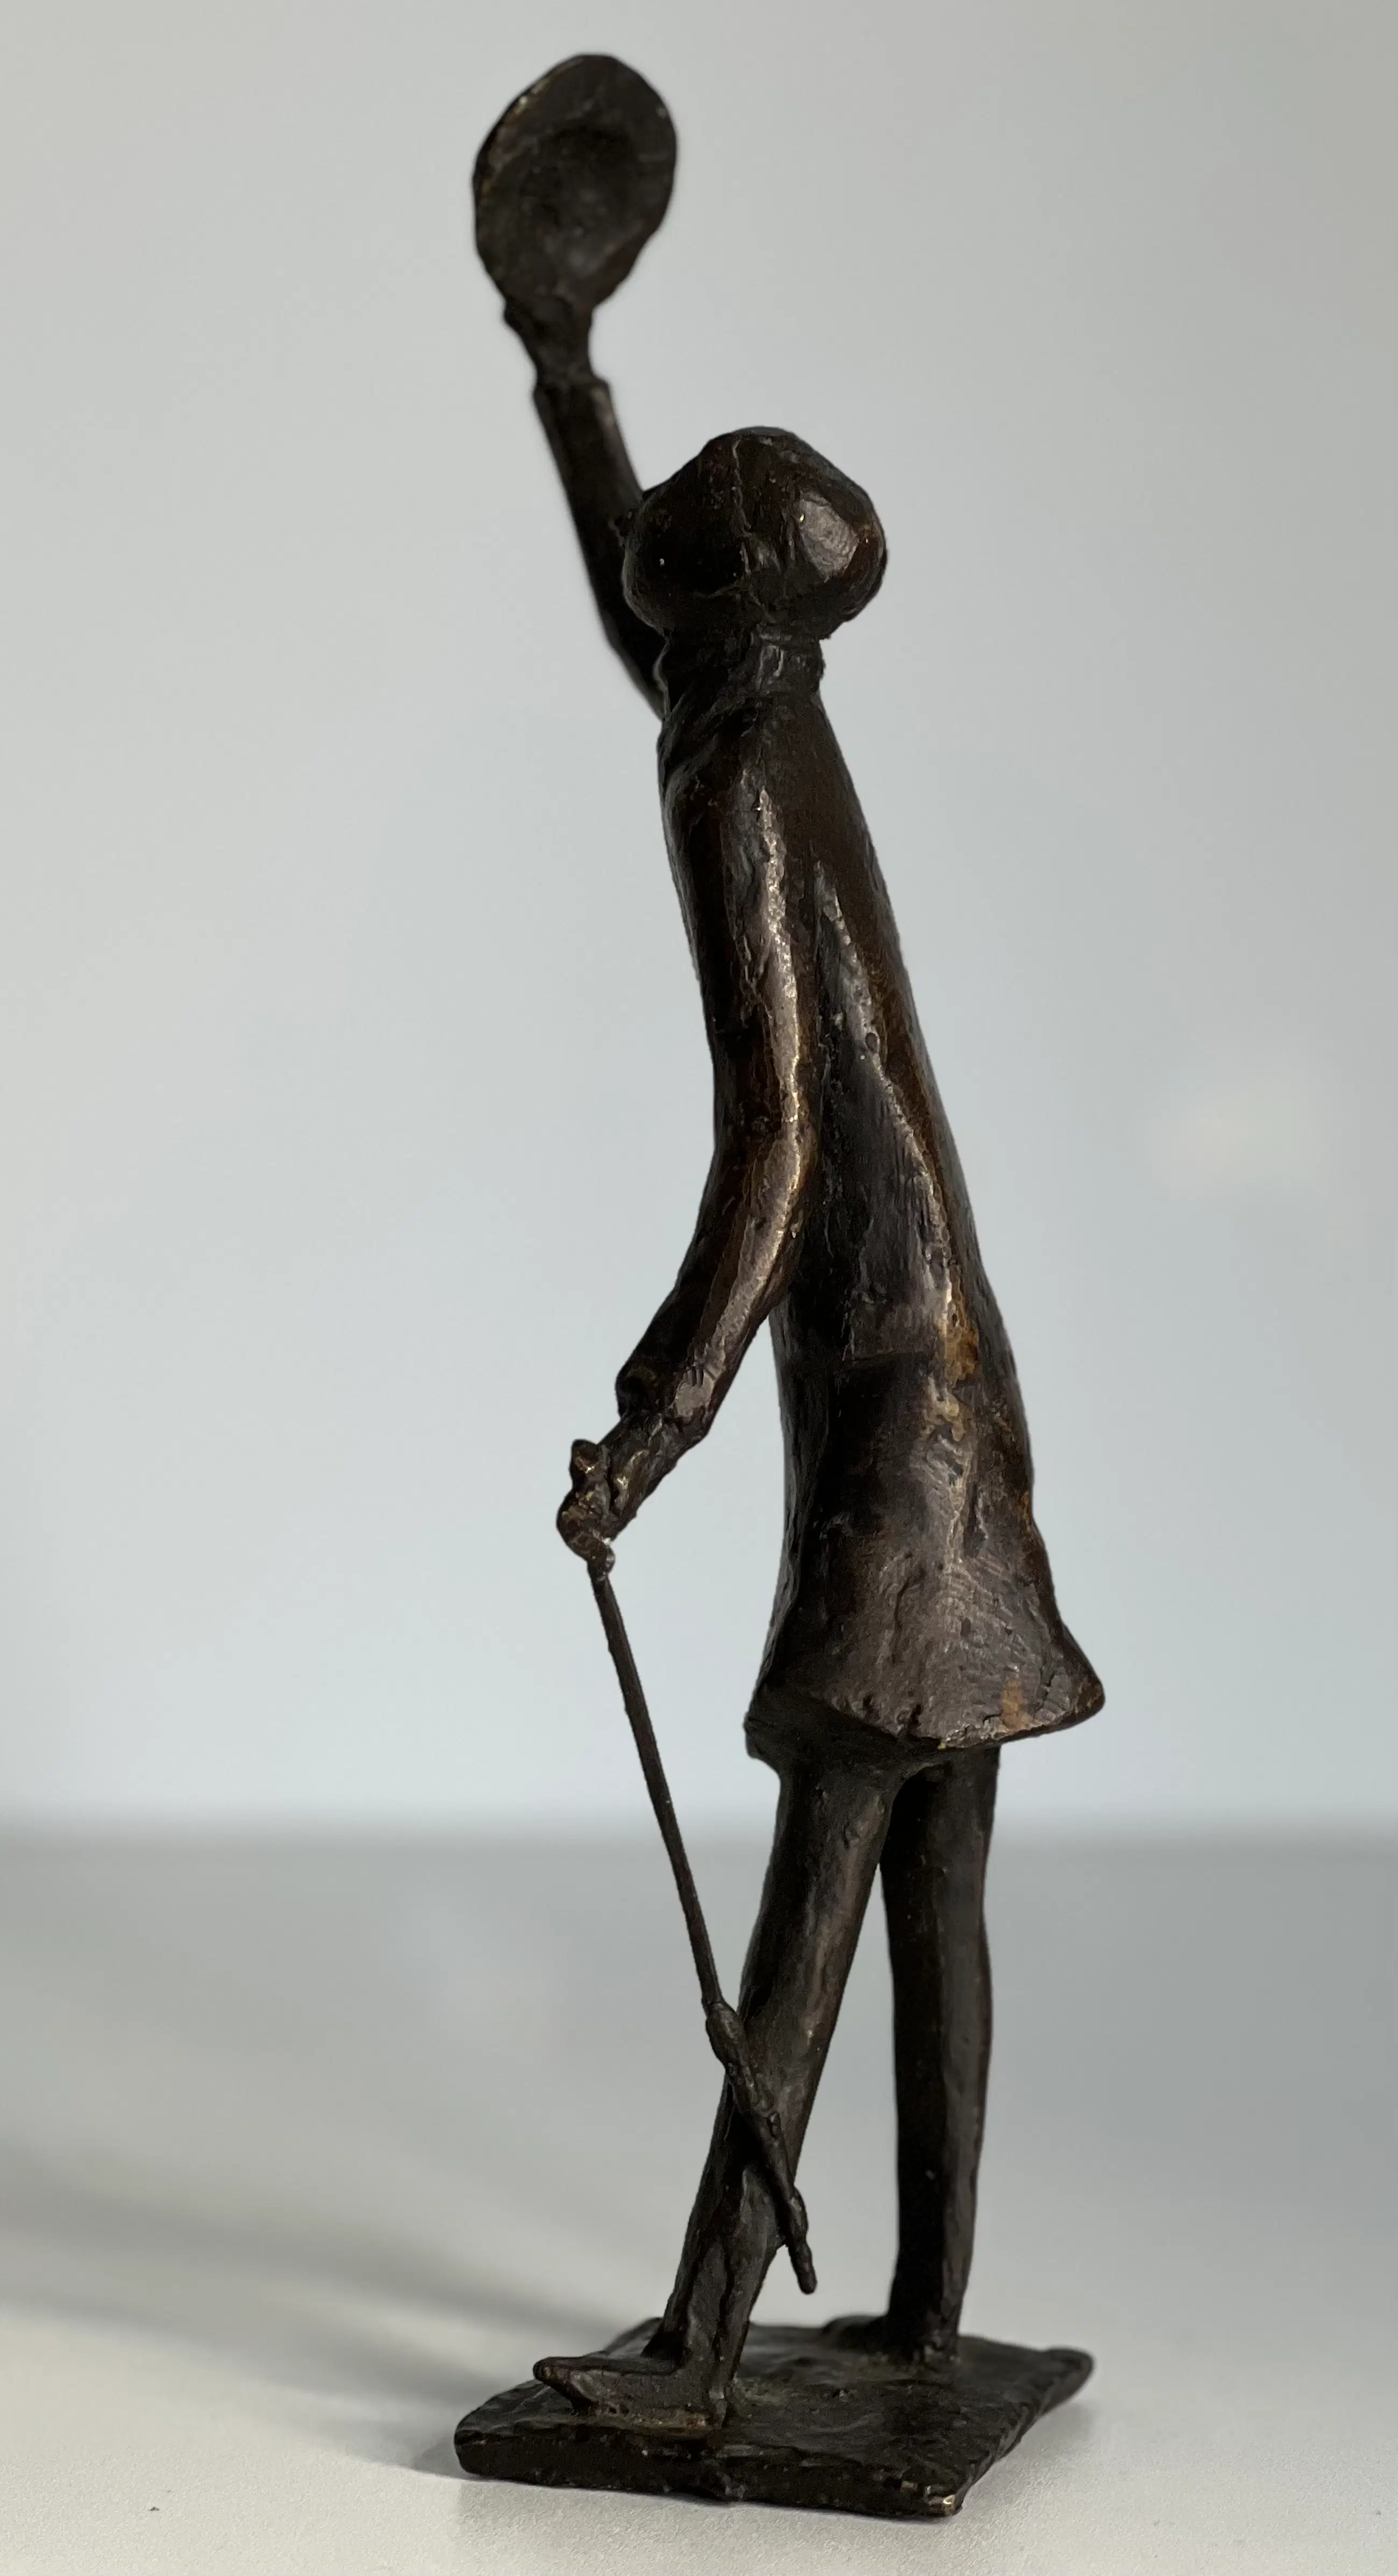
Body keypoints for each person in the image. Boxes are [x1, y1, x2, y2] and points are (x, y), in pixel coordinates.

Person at [481, 77, 1102, 2436]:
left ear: (724, 597)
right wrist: (563, 364)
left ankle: (706, 2340)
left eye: (678, 534)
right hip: (946, 1366)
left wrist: (648, 1426)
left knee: (837, 1847)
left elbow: (773, 1141)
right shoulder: (763, 708)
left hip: (890, 1410)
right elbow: (627, 591)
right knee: (929, 1863)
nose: (646, 551)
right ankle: (923, 2319)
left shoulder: (738, 776)